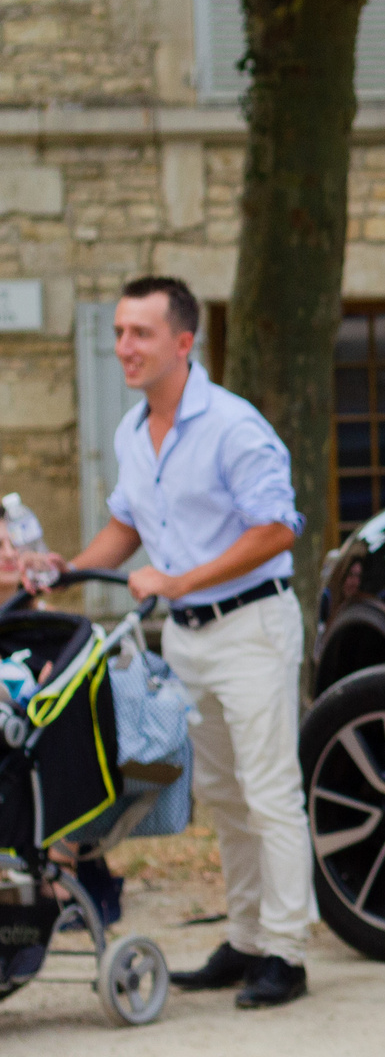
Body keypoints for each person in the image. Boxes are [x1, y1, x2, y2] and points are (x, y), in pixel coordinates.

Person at [32, 276, 312, 1010]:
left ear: (182, 343)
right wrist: (64, 573)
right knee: (221, 793)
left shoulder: (233, 425)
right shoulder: (132, 432)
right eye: (120, 331)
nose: (124, 345)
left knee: (270, 791)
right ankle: (246, 939)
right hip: (187, 640)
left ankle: (288, 950)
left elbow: (278, 528)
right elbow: (127, 526)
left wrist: (182, 578)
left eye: (140, 333)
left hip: (251, 626)